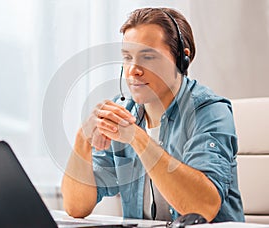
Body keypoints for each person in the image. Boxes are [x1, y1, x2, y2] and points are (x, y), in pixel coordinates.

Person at [61, 7, 245, 223]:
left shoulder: (209, 111)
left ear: (181, 60)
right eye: (128, 57)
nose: (132, 70)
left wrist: (137, 138)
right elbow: (76, 207)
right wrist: (83, 138)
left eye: (147, 57)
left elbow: (202, 207)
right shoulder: (125, 113)